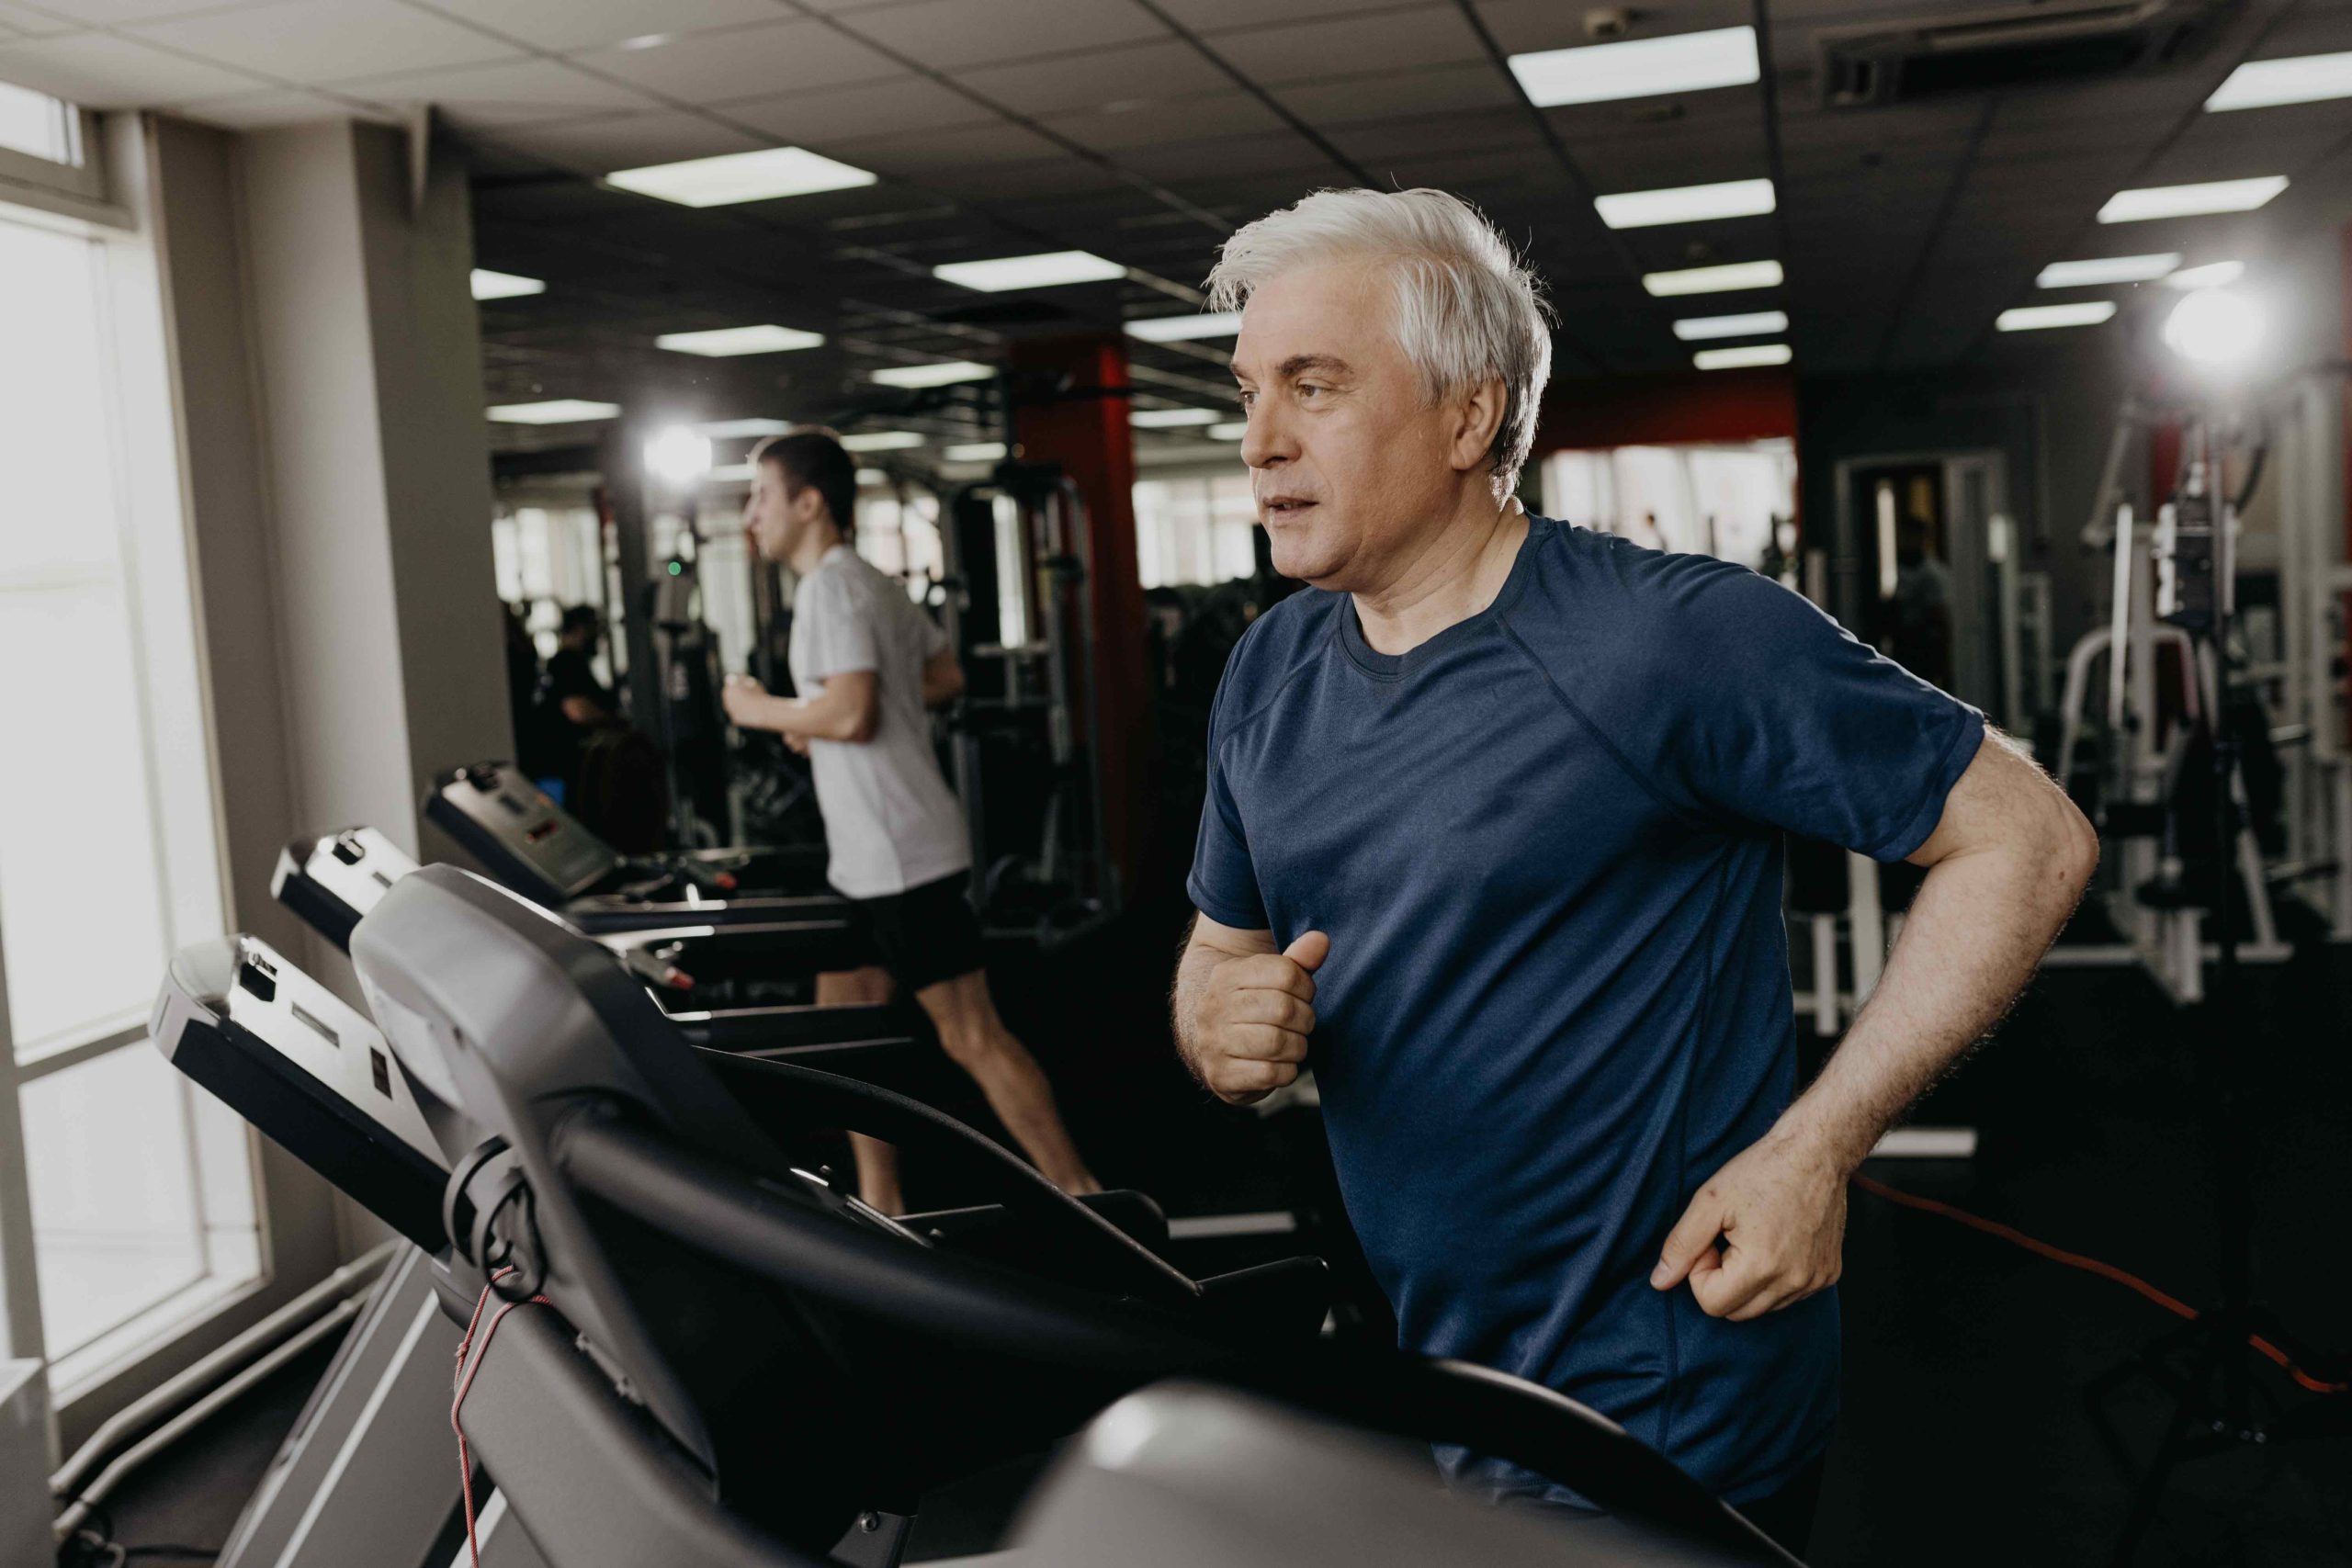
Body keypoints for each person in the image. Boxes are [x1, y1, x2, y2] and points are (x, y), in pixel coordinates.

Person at [1167, 188, 2097, 1556]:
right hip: (1442, 1373)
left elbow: (2025, 834)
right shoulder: (1268, 672)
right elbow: (1217, 951)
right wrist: (1214, 1022)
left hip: (1667, 1387)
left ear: (1470, 416)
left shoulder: (1667, 641)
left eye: (1314, 385)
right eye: (1250, 392)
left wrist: (1815, 1146)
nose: (1259, 441)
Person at [721, 429, 1101, 1215]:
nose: (750, 512)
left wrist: (765, 709)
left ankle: (1089, 1197)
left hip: (897, 856)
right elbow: (940, 675)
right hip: (867, 859)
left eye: (761, 494)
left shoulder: (831, 586)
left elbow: (855, 711)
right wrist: (821, 715)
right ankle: (882, 1207)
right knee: (842, 1039)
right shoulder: (868, 579)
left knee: (972, 1035)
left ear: (809, 501)